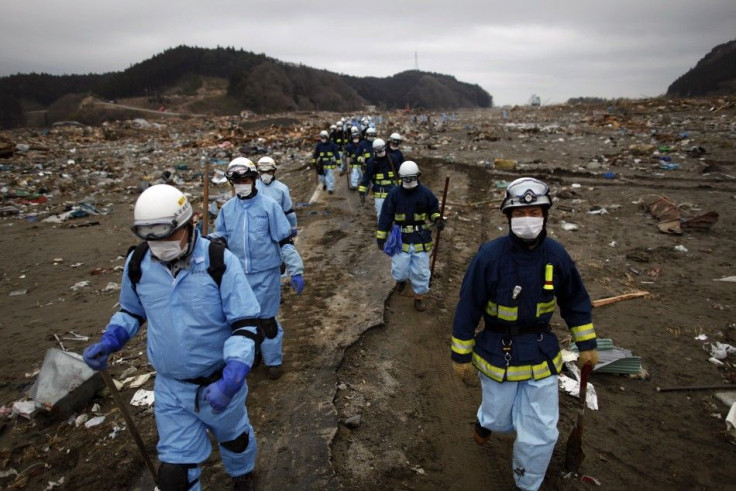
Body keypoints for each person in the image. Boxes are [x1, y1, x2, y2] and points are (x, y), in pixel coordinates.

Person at [83, 184, 261, 490]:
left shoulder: (219, 263)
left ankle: (242, 473)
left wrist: (232, 378)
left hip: (218, 384)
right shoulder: (138, 263)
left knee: (235, 442)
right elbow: (131, 311)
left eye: (166, 234)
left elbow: (244, 324)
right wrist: (111, 339)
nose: (159, 244)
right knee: (175, 475)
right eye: (150, 237)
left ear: (189, 225)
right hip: (171, 389)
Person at [450, 177, 599, 491]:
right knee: (498, 416)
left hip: (540, 350)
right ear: (508, 217)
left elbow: (575, 300)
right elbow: (468, 307)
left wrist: (586, 344)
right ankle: (485, 421)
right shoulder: (489, 257)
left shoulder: (556, 256)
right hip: (496, 350)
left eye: (534, 211)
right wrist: (460, 354)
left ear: (545, 214)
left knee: (541, 429)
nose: (527, 219)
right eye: (520, 213)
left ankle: (527, 482)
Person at [210, 157, 305, 381]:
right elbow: (220, 235)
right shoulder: (228, 209)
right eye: (237, 181)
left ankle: (273, 360)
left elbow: (284, 241)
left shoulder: (269, 206)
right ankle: (252, 355)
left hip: (266, 275)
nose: (241, 184)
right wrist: (212, 242)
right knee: (243, 321)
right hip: (237, 276)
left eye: (245, 179)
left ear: (253, 179)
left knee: (266, 320)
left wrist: (296, 270)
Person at [376, 161, 444, 311]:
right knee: (400, 270)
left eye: (411, 178)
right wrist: (381, 236)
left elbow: (434, 210)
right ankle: (401, 280)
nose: (408, 182)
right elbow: (385, 216)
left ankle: (418, 297)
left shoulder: (426, 193)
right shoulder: (394, 194)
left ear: (417, 176)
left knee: (420, 271)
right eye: (405, 179)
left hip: (420, 238)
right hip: (400, 238)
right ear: (401, 178)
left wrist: (437, 219)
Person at [256, 156, 298, 237]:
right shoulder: (253, 187)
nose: (265, 175)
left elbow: (288, 210)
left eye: (268, 172)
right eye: (262, 172)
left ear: (274, 171)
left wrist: (293, 226)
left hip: (277, 227)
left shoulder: (282, 188)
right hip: (257, 228)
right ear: (258, 172)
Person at [358, 138, 398, 220]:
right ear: (374, 150)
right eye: (378, 150)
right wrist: (362, 191)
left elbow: (400, 174)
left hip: (393, 191)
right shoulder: (371, 162)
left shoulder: (393, 159)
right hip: (379, 192)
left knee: (395, 214)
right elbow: (366, 177)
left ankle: (393, 231)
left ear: (385, 147)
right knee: (381, 214)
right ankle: (383, 231)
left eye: (381, 149)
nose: (380, 152)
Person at [312, 130, 340, 194]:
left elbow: (336, 153)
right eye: (321, 138)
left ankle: (330, 189)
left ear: (327, 137)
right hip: (321, 164)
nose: (323, 139)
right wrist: (314, 161)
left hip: (329, 163)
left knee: (330, 177)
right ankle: (324, 184)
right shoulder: (319, 145)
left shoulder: (332, 145)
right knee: (322, 178)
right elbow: (316, 154)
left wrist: (338, 161)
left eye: (324, 138)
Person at [345, 126, 363, 191]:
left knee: (361, 175)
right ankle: (354, 185)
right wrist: (348, 168)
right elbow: (348, 157)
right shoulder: (349, 146)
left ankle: (361, 184)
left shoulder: (362, 145)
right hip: (354, 164)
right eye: (354, 138)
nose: (355, 139)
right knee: (354, 174)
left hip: (361, 164)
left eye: (357, 138)